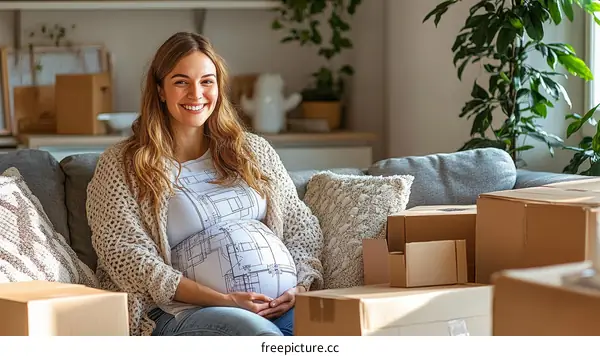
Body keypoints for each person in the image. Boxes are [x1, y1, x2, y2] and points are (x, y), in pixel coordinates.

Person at [86, 31, 324, 337]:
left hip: (278, 305)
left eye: (207, 81)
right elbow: (126, 255)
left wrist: (300, 287)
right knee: (260, 337)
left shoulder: (253, 151)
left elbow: (300, 226)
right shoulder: (122, 165)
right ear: (160, 90)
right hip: (179, 311)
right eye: (181, 82)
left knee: (331, 332)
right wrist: (225, 300)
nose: (196, 94)